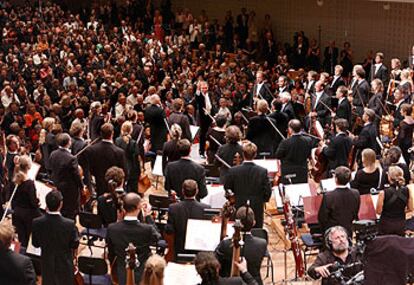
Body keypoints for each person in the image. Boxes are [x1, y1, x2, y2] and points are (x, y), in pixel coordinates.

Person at [106, 192, 161, 285]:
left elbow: (111, 252)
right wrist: (148, 216)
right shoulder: (147, 229)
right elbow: (157, 237)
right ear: (139, 207)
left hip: (121, 274)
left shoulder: (112, 228)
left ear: (123, 208)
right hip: (142, 275)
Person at [32, 190, 80, 285]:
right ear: (61, 204)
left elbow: (35, 244)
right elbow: (74, 244)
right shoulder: (69, 224)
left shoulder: (37, 222)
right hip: (64, 264)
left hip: (47, 264)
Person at [224, 141, 271, 228]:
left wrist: (233, 198)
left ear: (243, 154)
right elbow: (267, 191)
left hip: (238, 204)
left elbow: (227, 188)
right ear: (255, 154)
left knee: (238, 230)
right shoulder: (262, 171)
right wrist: (261, 200)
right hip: (257, 206)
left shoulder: (233, 170)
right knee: (256, 231)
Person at [215, 206, 267, 285]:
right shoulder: (262, 244)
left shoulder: (225, 244)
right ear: (254, 223)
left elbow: (215, 262)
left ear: (236, 223)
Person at [165, 179, 211, 260]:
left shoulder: (173, 208)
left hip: (179, 250)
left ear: (182, 191)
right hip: (199, 251)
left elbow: (169, 230)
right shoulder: (206, 208)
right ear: (197, 191)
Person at [79, 123, 126, 196]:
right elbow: (124, 171)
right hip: (115, 185)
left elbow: (88, 167)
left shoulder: (91, 150)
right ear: (112, 133)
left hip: (99, 183)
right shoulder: (119, 152)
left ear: (101, 133)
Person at [49, 133, 83, 220]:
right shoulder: (71, 158)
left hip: (57, 185)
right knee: (70, 212)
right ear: (68, 143)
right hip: (70, 190)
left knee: (60, 209)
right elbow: (77, 175)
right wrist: (82, 187)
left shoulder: (53, 154)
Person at [318, 166, 360, 235]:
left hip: (332, 233)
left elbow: (322, 218)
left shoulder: (328, 196)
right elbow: (355, 213)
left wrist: (325, 232)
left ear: (336, 179)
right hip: (348, 231)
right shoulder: (356, 193)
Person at [11, 155, 41, 247]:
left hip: (17, 213)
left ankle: (19, 257)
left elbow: (13, 199)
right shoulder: (29, 183)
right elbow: (33, 202)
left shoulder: (15, 180)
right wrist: (38, 200)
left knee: (20, 239)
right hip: (28, 215)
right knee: (27, 240)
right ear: (28, 166)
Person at [376, 166, 414, 236]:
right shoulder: (407, 190)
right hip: (401, 225)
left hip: (385, 225)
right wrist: (400, 211)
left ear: (389, 177)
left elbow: (378, 211)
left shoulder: (383, 193)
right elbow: (411, 209)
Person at [275, 119, 315, 184]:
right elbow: (308, 154)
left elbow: (278, 155)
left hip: (289, 172)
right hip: (302, 171)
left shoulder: (285, 142)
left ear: (290, 129)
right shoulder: (308, 140)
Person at [115, 121, 140, 193]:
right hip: (132, 168)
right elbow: (136, 158)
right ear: (131, 130)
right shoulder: (133, 143)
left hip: (120, 167)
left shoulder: (117, 140)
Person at [195, 81, 214, 158]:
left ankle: (210, 150)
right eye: (203, 88)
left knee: (211, 134)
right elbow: (197, 94)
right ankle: (201, 151)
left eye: (206, 88)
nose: (205, 89)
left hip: (210, 117)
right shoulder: (199, 95)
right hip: (203, 118)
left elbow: (211, 105)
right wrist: (198, 88)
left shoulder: (209, 94)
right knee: (202, 135)